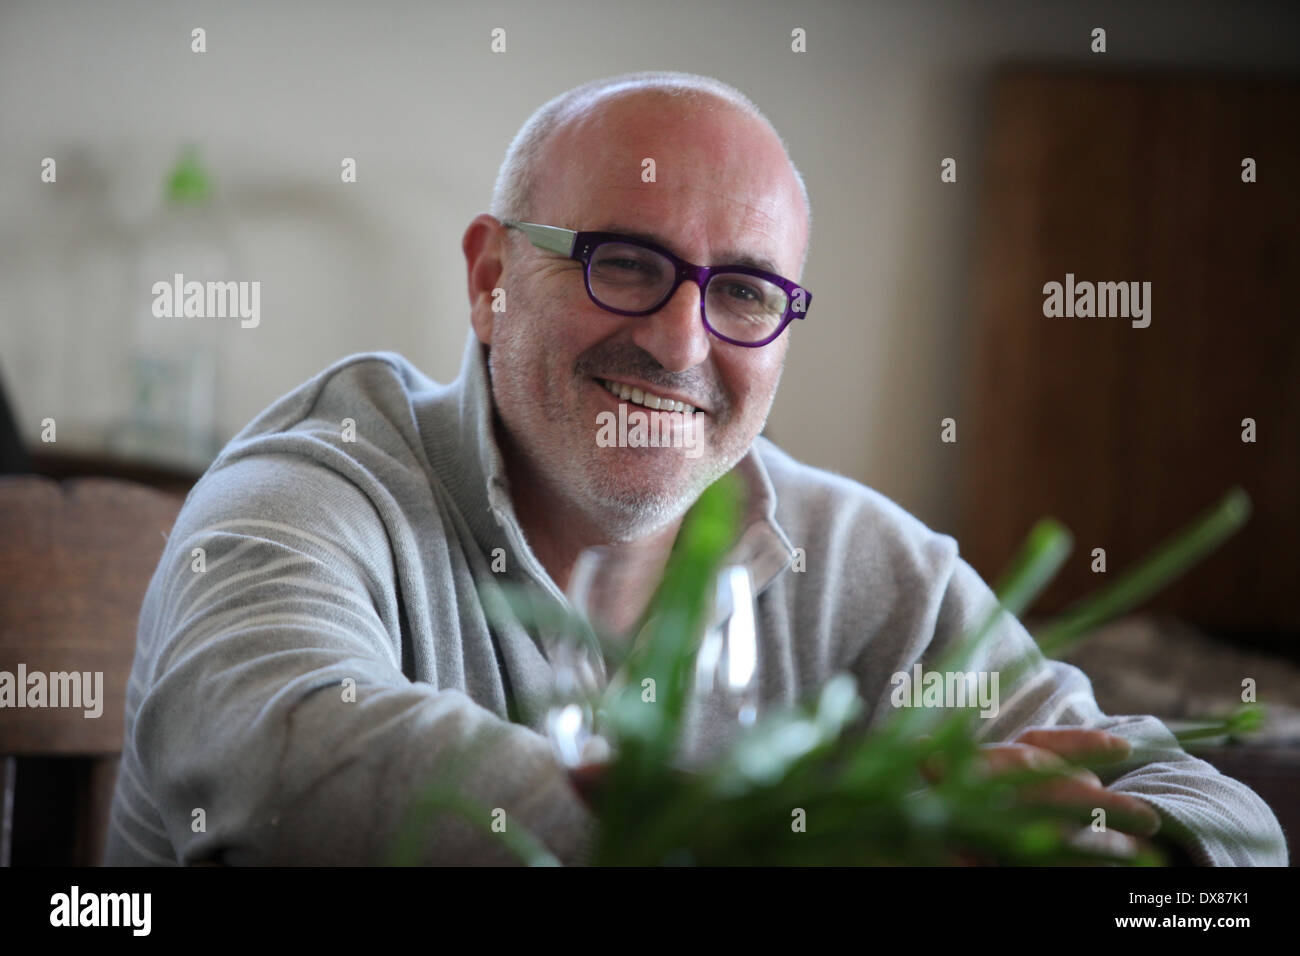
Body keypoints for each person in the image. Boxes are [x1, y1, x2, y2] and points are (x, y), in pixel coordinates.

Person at [104, 71, 1287, 867]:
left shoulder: (869, 566)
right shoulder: (313, 485)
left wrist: (1086, 841)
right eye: (623, 262)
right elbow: (281, 757)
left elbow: (1229, 824)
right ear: (489, 279)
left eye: (744, 291)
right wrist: (830, 829)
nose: (679, 341)